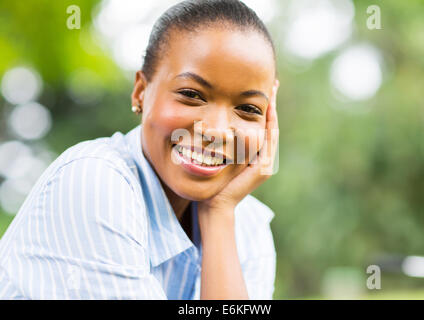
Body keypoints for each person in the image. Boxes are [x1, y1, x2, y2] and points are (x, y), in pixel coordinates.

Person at [0, 0, 280, 299]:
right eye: (191, 94)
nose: (216, 131)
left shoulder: (247, 225)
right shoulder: (93, 183)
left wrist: (219, 214)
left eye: (248, 108)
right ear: (140, 91)